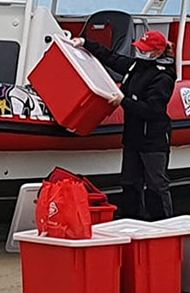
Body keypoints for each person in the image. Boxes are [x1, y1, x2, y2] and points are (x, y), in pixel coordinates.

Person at [71, 29, 175, 221]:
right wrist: (85, 42)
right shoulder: (137, 65)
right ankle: (131, 218)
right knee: (129, 181)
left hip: (153, 139)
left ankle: (162, 222)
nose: (140, 52)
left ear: (157, 52)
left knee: (156, 184)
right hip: (133, 137)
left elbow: (152, 109)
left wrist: (123, 101)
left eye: (145, 50)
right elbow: (112, 58)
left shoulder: (163, 77)